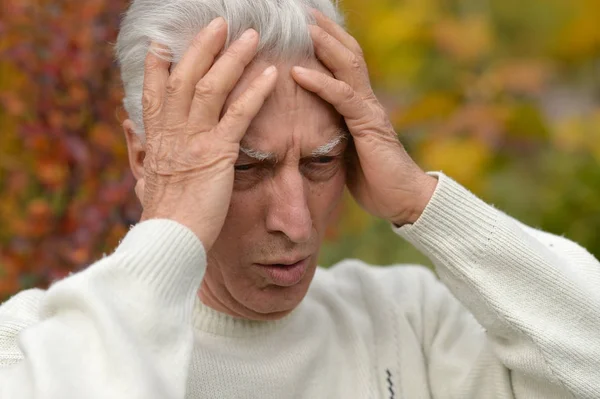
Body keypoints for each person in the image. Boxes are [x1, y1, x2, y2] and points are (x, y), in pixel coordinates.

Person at [0, 0, 599, 397]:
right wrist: (170, 233)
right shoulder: (31, 347)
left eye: (321, 161)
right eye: (242, 167)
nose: (295, 223)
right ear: (144, 156)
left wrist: (423, 202)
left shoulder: (410, 323)